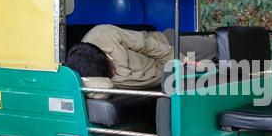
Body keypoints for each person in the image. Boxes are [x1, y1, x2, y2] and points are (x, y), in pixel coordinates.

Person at [65, 24, 216, 90]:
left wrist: (185, 61)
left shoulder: (104, 34)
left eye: (111, 66)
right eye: (109, 75)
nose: (113, 73)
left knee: (217, 47)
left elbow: (149, 45)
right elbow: (99, 89)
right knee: (216, 75)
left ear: (104, 55)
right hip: (164, 76)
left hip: (167, 47)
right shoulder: (90, 74)